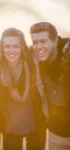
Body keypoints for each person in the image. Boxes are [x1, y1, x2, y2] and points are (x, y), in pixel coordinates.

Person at [0, 27, 46, 150]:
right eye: (7, 46)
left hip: (34, 124)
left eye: (16, 46)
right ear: (2, 47)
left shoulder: (32, 64)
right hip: (10, 128)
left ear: (22, 48)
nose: (11, 50)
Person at [30, 22, 70, 150]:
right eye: (35, 42)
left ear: (55, 41)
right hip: (55, 134)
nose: (38, 46)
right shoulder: (39, 62)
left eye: (43, 41)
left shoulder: (66, 53)